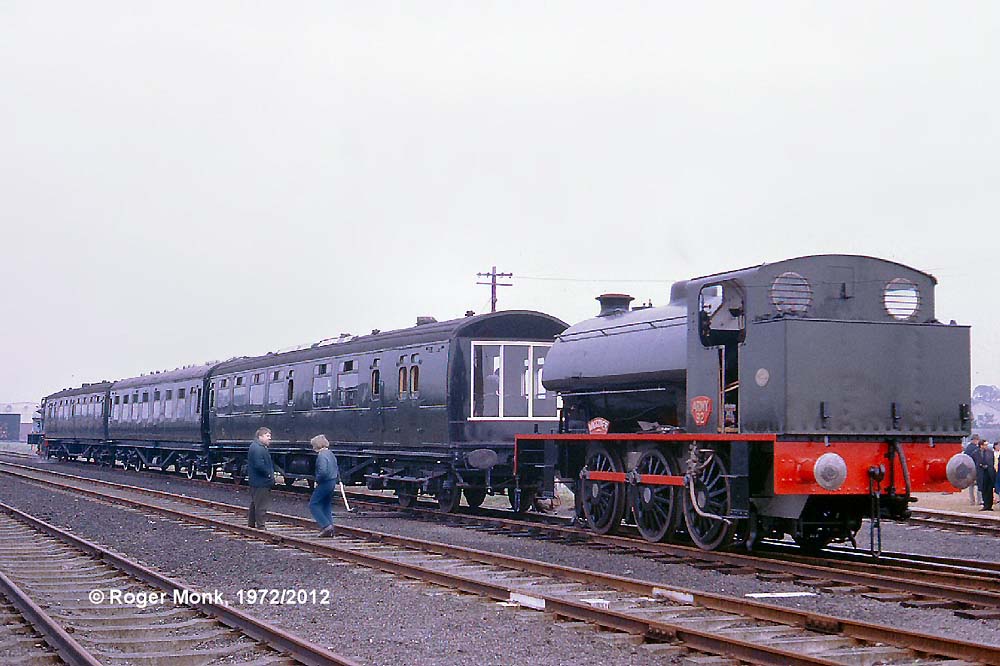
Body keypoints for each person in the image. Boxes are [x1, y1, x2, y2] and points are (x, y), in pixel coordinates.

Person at [309, 434, 339, 537]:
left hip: (325, 482)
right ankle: (330, 528)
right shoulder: (330, 453)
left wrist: (317, 480)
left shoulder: (321, 455)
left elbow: (322, 471)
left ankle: (326, 526)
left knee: (313, 504)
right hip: (332, 481)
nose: (313, 448)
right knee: (326, 505)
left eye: (313, 445)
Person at [247, 427, 275, 529]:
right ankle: (261, 526)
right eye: (267, 436)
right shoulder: (258, 448)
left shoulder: (256, 447)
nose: (270, 438)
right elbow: (259, 465)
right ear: (260, 436)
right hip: (261, 481)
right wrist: (269, 474)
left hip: (257, 481)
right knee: (261, 504)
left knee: (255, 502)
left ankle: (251, 524)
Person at [976, 438, 996, 511]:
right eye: (985, 445)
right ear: (981, 445)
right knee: (983, 490)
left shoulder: (990, 452)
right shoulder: (976, 453)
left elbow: (992, 462)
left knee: (989, 490)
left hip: (989, 473)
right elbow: (975, 463)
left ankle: (989, 505)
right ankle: (985, 504)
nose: (986, 446)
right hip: (981, 474)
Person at [966, 434, 982, 506]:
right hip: (976, 468)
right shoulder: (976, 449)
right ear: (975, 440)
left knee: (971, 486)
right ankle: (979, 500)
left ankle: (972, 501)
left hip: (969, 469)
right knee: (979, 485)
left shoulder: (967, 448)